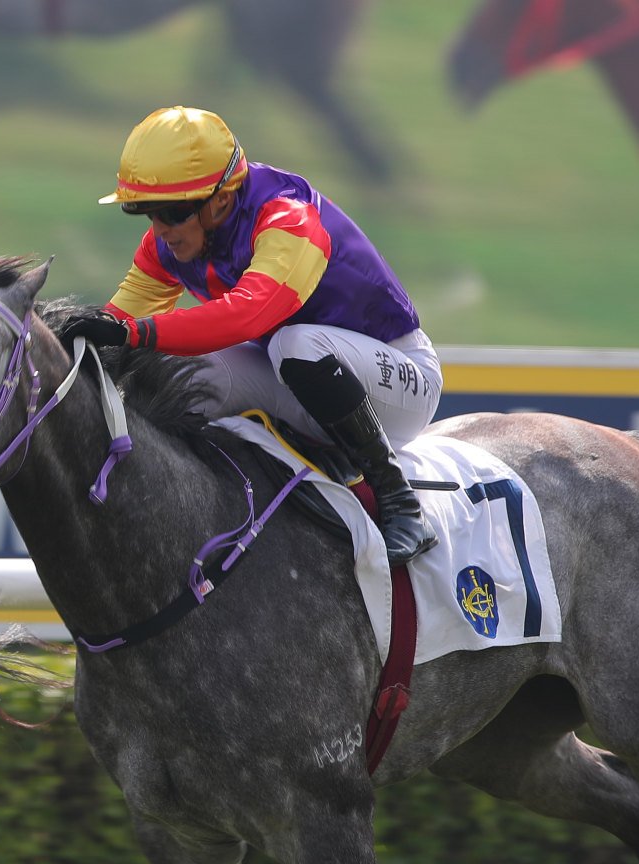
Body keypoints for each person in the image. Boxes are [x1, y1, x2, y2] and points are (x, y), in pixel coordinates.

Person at [69, 106, 439, 564]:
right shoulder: (170, 244)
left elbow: (245, 318)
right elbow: (115, 328)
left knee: (294, 344)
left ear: (221, 199)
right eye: (144, 212)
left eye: (171, 212)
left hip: (400, 380)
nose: (160, 229)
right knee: (182, 378)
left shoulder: (288, 218)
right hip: (297, 377)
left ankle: (400, 501)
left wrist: (132, 334)